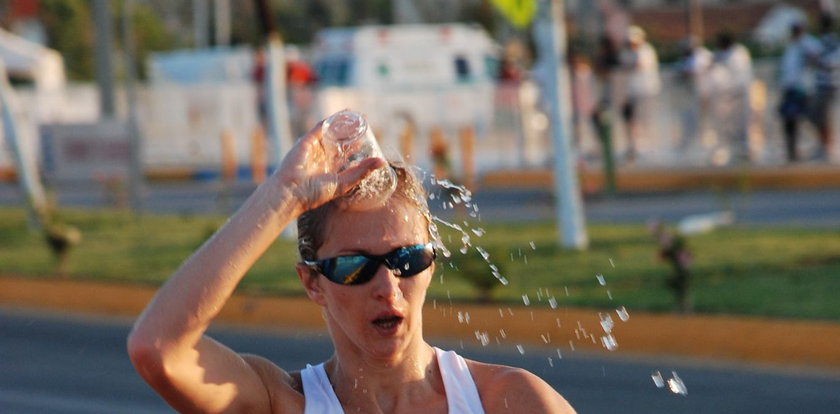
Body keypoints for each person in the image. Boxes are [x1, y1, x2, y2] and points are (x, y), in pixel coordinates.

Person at [127, 117, 577, 413]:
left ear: (432, 264)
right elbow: (159, 349)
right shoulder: (283, 403)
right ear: (312, 282)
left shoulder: (508, 401)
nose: (387, 284)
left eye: (407, 259)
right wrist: (281, 198)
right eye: (353, 267)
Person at [777, 22, 821, 162]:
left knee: (810, 120)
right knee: (789, 121)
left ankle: (820, 147)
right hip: (790, 89)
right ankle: (792, 152)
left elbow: (817, 57)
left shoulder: (807, 43)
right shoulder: (791, 46)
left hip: (803, 89)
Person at [619, 25, 661, 162]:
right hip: (633, 92)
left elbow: (638, 65)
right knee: (632, 122)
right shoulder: (627, 52)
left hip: (646, 91)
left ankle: (649, 149)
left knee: (646, 120)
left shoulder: (646, 51)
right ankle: (635, 148)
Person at [710, 32, 753, 162]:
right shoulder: (723, 53)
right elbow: (714, 61)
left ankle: (743, 150)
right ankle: (727, 150)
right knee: (725, 125)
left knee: (741, 124)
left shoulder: (738, 54)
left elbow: (739, 78)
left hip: (739, 94)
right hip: (727, 96)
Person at [810, 14, 840, 161]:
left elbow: (833, 62)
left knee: (825, 117)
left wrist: (820, 62)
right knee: (817, 117)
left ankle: (827, 147)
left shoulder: (832, 42)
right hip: (820, 84)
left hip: (829, 85)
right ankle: (824, 145)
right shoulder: (820, 42)